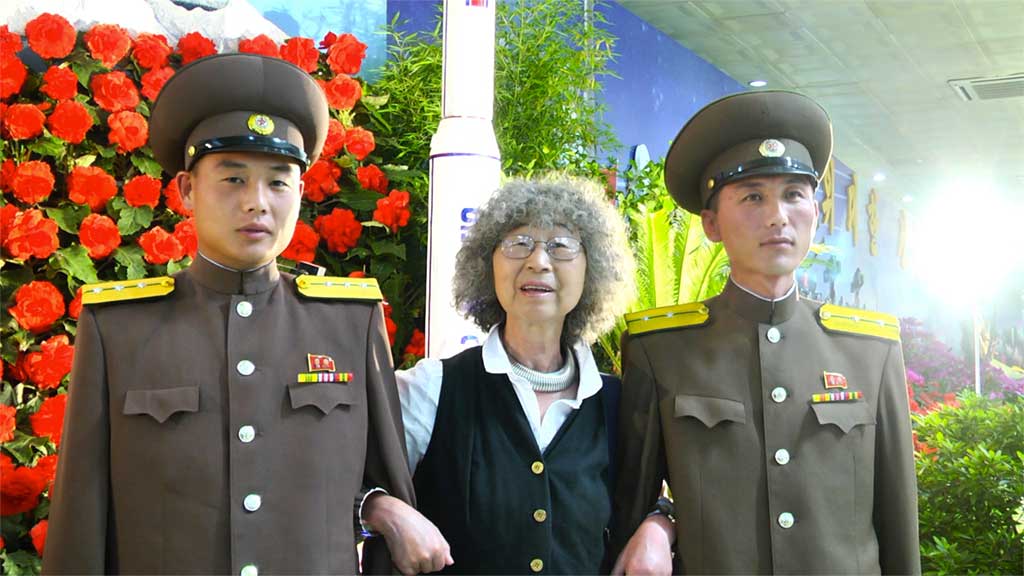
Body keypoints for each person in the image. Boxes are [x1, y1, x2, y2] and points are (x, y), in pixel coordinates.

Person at [43, 53, 415, 575]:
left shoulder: (349, 322)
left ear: (301, 193)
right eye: (233, 179)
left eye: (278, 181)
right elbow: (81, 515)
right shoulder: (119, 328)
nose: (257, 203)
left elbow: (386, 490)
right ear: (187, 190)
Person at [610, 90, 921, 574]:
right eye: (753, 196)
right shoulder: (661, 351)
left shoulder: (870, 350)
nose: (778, 215)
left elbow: (899, 524)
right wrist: (659, 519)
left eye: (795, 195)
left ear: (815, 214)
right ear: (711, 223)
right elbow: (633, 504)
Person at [380, 175, 648, 574]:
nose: (538, 261)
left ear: (593, 268)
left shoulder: (618, 403)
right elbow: (346, 475)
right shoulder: (432, 388)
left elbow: (665, 486)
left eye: (561, 245)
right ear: (487, 264)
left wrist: (661, 524)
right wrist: (384, 509)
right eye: (519, 243)